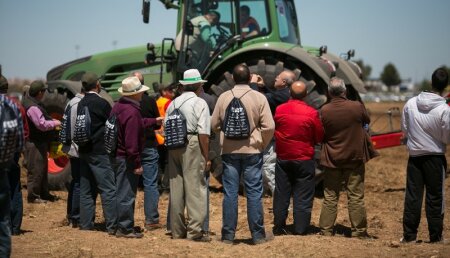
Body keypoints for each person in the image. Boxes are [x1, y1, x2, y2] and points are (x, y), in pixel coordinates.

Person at [211, 64, 275, 245]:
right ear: (249, 79)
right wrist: (261, 142)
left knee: (230, 193)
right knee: (254, 192)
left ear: (232, 78)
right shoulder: (259, 97)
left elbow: (213, 124)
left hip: (229, 151)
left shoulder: (224, 97)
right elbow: (269, 126)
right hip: (253, 151)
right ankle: (258, 235)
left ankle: (228, 236)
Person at [318, 77, 373, 239]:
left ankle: (326, 230)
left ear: (329, 92)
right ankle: (359, 231)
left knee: (330, 196)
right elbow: (366, 122)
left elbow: (321, 132)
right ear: (345, 91)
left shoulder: (324, 110)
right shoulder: (357, 107)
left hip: (331, 159)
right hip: (354, 158)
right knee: (355, 196)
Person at [401, 67, 450, 243]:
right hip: (435, 158)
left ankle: (409, 236)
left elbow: (405, 130)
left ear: (431, 82)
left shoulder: (411, 103)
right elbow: (447, 137)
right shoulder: (444, 109)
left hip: (414, 158)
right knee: (435, 197)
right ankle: (435, 237)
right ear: (445, 86)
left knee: (413, 196)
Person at [111, 76, 163, 238]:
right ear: (134, 94)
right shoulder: (132, 112)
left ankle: (118, 224)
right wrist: (136, 164)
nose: (142, 94)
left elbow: (138, 123)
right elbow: (131, 143)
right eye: (140, 92)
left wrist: (154, 120)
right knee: (127, 194)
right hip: (126, 158)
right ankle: (125, 228)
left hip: (117, 156)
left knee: (121, 191)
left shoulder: (119, 106)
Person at [165, 69, 211, 242]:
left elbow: (165, 127)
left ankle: (177, 231)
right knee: (195, 188)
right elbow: (204, 134)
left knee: (176, 188)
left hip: (173, 145)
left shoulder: (172, 104)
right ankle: (195, 232)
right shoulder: (200, 103)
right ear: (198, 85)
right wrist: (206, 156)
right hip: (191, 142)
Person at [272, 81, 323, 235]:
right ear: (306, 95)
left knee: (281, 194)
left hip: (283, 158)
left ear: (290, 94)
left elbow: (275, 128)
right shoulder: (312, 113)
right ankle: (300, 229)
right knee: (303, 195)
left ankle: (279, 227)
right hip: (304, 158)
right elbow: (319, 136)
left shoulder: (280, 109)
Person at [77, 72, 117, 235]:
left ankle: (86, 224)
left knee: (86, 190)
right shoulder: (102, 103)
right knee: (108, 189)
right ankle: (113, 225)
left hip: (84, 151)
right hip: (99, 152)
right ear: (97, 85)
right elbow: (112, 125)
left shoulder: (81, 103)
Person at [250, 71, 294, 196]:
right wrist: (263, 86)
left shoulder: (283, 95)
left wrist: (253, 84)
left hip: (275, 137)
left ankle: (281, 199)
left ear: (284, 82)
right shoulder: (285, 93)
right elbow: (273, 96)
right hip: (280, 136)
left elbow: (261, 99)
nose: (275, 78)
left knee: (268, 166)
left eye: (278, 77)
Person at [132, 72, 163, 231]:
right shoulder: (151, 101)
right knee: (150, 183)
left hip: (131, 147)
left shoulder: (126, 104)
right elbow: (158, 125)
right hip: (149, 145)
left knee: (130, 184)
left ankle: (126, 220)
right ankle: (151, 220)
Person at [22, 80, 61, 204]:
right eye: (43, 91)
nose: (44, 93)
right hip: (34, 142)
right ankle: (33, 196)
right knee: (36, 170)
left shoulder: (34, 103)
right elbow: (41, 125)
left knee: (42, 169)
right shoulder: (32, 107)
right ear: (39, 92)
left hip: (39, 142)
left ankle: (44, 193)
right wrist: (55, 123)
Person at [0, 75, 28, 236]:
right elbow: (24, 133)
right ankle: (15, 227)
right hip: (12, 154)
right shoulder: (16, 105)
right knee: (14, 187)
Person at [61, 88, 84, 228]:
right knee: (78, 183)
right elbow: (74, 128)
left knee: (76, 182)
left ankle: (71, 214)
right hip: (76, 149)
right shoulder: (77, 104)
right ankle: (75, 217)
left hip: (72, 148)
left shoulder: (71, 102)